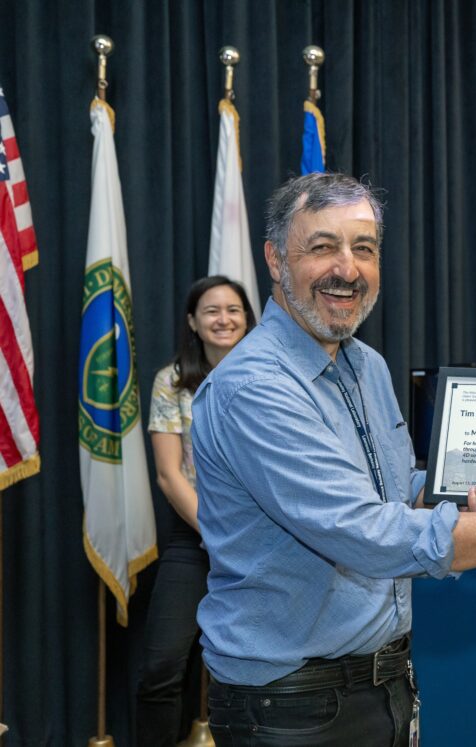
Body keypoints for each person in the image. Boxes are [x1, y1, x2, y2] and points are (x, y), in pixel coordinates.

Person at [191, 173, 476, 747]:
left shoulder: (366, 366)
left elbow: (395, 489)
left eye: (364, 249)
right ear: (276, 260)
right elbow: (365, 532)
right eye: (322, 247)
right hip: (292, 709)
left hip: (385, 684)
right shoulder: (254, 387)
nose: (347, 269)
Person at [135, 276, 256, 746]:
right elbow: (169, 475)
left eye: (233, 309)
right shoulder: (172, 381)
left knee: (260, 672)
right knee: (161, 666)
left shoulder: (270, 378)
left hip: (264, 536)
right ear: (193, 322)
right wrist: (215, 529)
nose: (223, 319)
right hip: (196, 535)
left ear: (248, 318)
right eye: (211, 310)